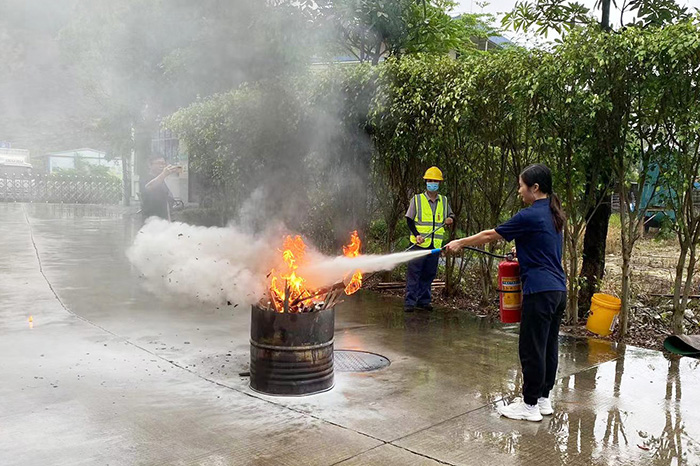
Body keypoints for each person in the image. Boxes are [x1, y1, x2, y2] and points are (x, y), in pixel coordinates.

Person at [445, 163, 567, 422]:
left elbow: (491, 234)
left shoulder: (529, 215)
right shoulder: (553, 213)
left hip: (539, 290)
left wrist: (460, 242)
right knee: (548, 346)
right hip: (557, 290)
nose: (519, 190)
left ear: (535, 188)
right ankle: (543, 399)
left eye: (522, 185)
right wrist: (520, 251)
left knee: (531, 347)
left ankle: (530, 405)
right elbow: (543, 246)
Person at [404, 166, 455, 312]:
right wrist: (416, 235)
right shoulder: (417, 199)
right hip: (419, 244)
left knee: (429, 274)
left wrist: (450, 219)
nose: (432, 183)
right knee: (414, 274)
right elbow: (409, 219)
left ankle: (423, 301)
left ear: (439, 183)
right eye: (430, 180)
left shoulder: (444, 201)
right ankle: (410, 302)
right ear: (426, 182)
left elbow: (451, 215)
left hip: (434, 246)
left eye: (435, 181)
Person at [140, 156, 181, 221]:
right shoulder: (145, 178)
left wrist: (169, 220)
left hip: (163, 220)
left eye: (163, 164)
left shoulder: (161, 180)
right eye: (159, 163)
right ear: (150, 165)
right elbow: (148, 187)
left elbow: (166, 201)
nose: (162, 166)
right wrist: (164, 174)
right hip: (151, 220)